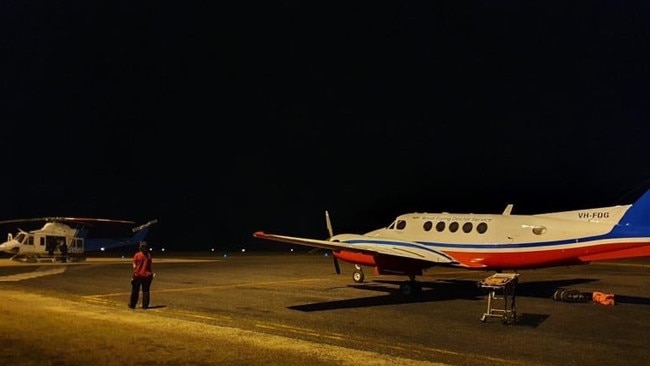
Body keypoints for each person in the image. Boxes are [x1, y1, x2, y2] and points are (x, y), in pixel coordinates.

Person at [128, 241, 154, 309]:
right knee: (146, 291)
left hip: (138, 275)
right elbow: (149, 266)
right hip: (147, 276)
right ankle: (145, 306)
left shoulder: (137, 255)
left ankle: (132, 305)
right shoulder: (149, 255)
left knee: (135, 290)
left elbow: (134, 266)